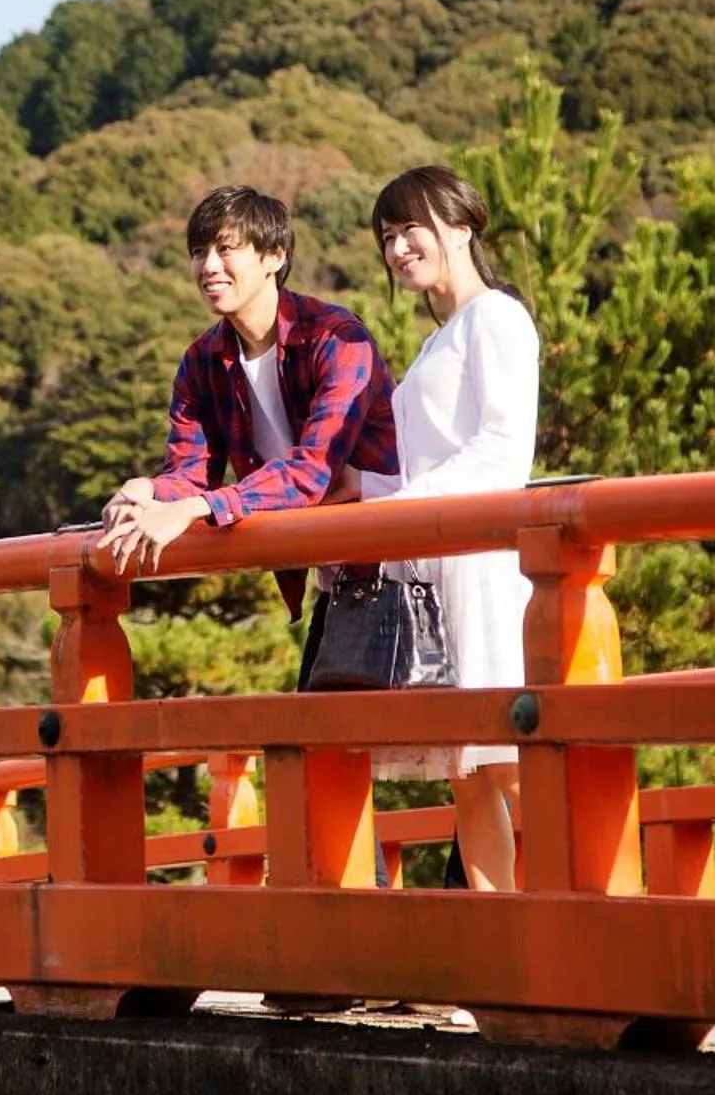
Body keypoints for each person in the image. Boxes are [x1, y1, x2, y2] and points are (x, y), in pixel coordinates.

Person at [99, 185, 398, 681]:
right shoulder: (202, 361)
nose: (209, 266)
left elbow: (313, 472)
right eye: (199, 252)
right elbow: (191, 473)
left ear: (274, 256)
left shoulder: (335, 337)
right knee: (319, 729)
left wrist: (194, 508)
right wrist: (146, 492)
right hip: (337, 581)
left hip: (402, 567)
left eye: (226, 249)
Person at [359, 165, 540, 893]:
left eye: (412, 229)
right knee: (468, 775)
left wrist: (399, 510)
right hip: (438, 565)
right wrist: (356, 493)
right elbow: (419, 468)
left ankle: (579, 929)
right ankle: (495, 941)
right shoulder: (438, 342)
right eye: (387, 236)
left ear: (461, 227)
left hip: (484, 565)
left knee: (511, 763)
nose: (398, 248)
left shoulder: (495, 317)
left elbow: (502, 448)